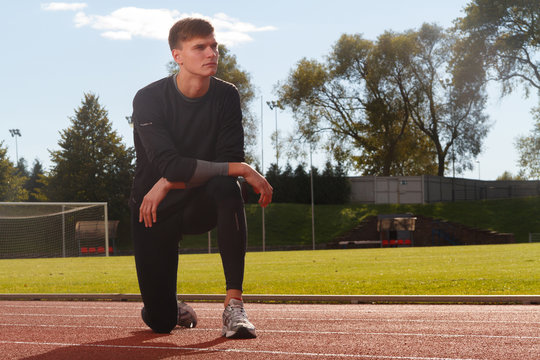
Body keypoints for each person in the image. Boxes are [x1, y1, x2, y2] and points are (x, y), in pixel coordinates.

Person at [130, 17, 272, 338]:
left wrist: (167, 182)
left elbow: (224, 163)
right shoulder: (148, 99)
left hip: (198, 200)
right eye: (200, 47)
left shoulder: (226, 96)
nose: (211, 53)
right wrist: (244, 169)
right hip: (153, 209)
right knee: (161, 322)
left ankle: (234, 306)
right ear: (177, 56)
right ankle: (166, 305)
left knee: (227, 186)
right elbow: (174, 164)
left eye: (214, 46)